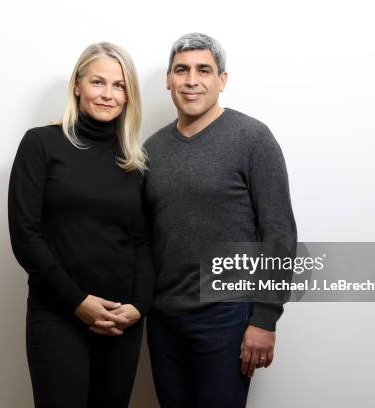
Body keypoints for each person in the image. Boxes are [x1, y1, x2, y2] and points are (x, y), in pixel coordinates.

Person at [144, 33, 297, 407]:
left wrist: (264, 318)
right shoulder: (151, 150)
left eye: (203, 70)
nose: (192, 80)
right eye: (181, 70)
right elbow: (145, 236)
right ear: (168, 79)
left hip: (226, 316)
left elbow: (279, 233)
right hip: (163, 317)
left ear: (221, 80)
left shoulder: (253, 138)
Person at [8, 42, 155, 408]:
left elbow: (143, 243)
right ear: (77, 85)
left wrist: (139, 306)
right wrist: (77, 301)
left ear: (128, 95)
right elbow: (25, 234)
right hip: (58, 312)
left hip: (122, 320)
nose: (108, 94)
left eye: (119, 86)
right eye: (97, 82)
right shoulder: (41, 144)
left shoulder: (134, 161)